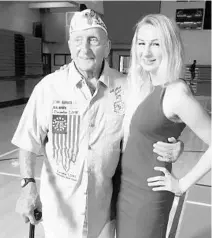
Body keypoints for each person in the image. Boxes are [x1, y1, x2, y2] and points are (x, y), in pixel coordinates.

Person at [12, 10, 184, 238]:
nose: (85, 48)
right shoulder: (48, 88)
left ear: (107, 46)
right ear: (70, 44)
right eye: (78, 40)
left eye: (93, 40)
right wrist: (28, 185)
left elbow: (150, 127)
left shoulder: (127, 87)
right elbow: (27, 140)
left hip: (103, 213)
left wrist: (176, 145)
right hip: (60, 214)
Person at [116, 14, 211, 238]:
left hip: (147, 196)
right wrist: (178, 146)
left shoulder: (176, 93)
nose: (146, 52)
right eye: (141, 43)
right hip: (124, 189)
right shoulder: (143, 84)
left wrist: (182, 184)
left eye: (155, 44)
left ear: (169, 46)